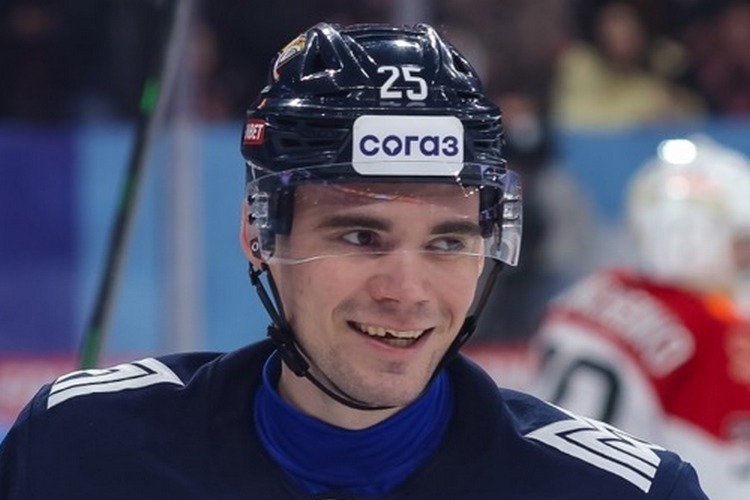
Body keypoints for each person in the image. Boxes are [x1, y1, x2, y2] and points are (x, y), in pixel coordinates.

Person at [0, 22, 707, 499]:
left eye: (448, 242)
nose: (406, 291)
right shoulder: (78, 448)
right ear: (259, 232)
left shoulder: (621, 491)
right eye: (360, 236)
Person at [530, 135, 750, 499]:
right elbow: (724, 478)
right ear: (696, 237)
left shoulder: (582, 295)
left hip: (542, 481)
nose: (744, 258)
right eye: (739, 244)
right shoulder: (717, 330)